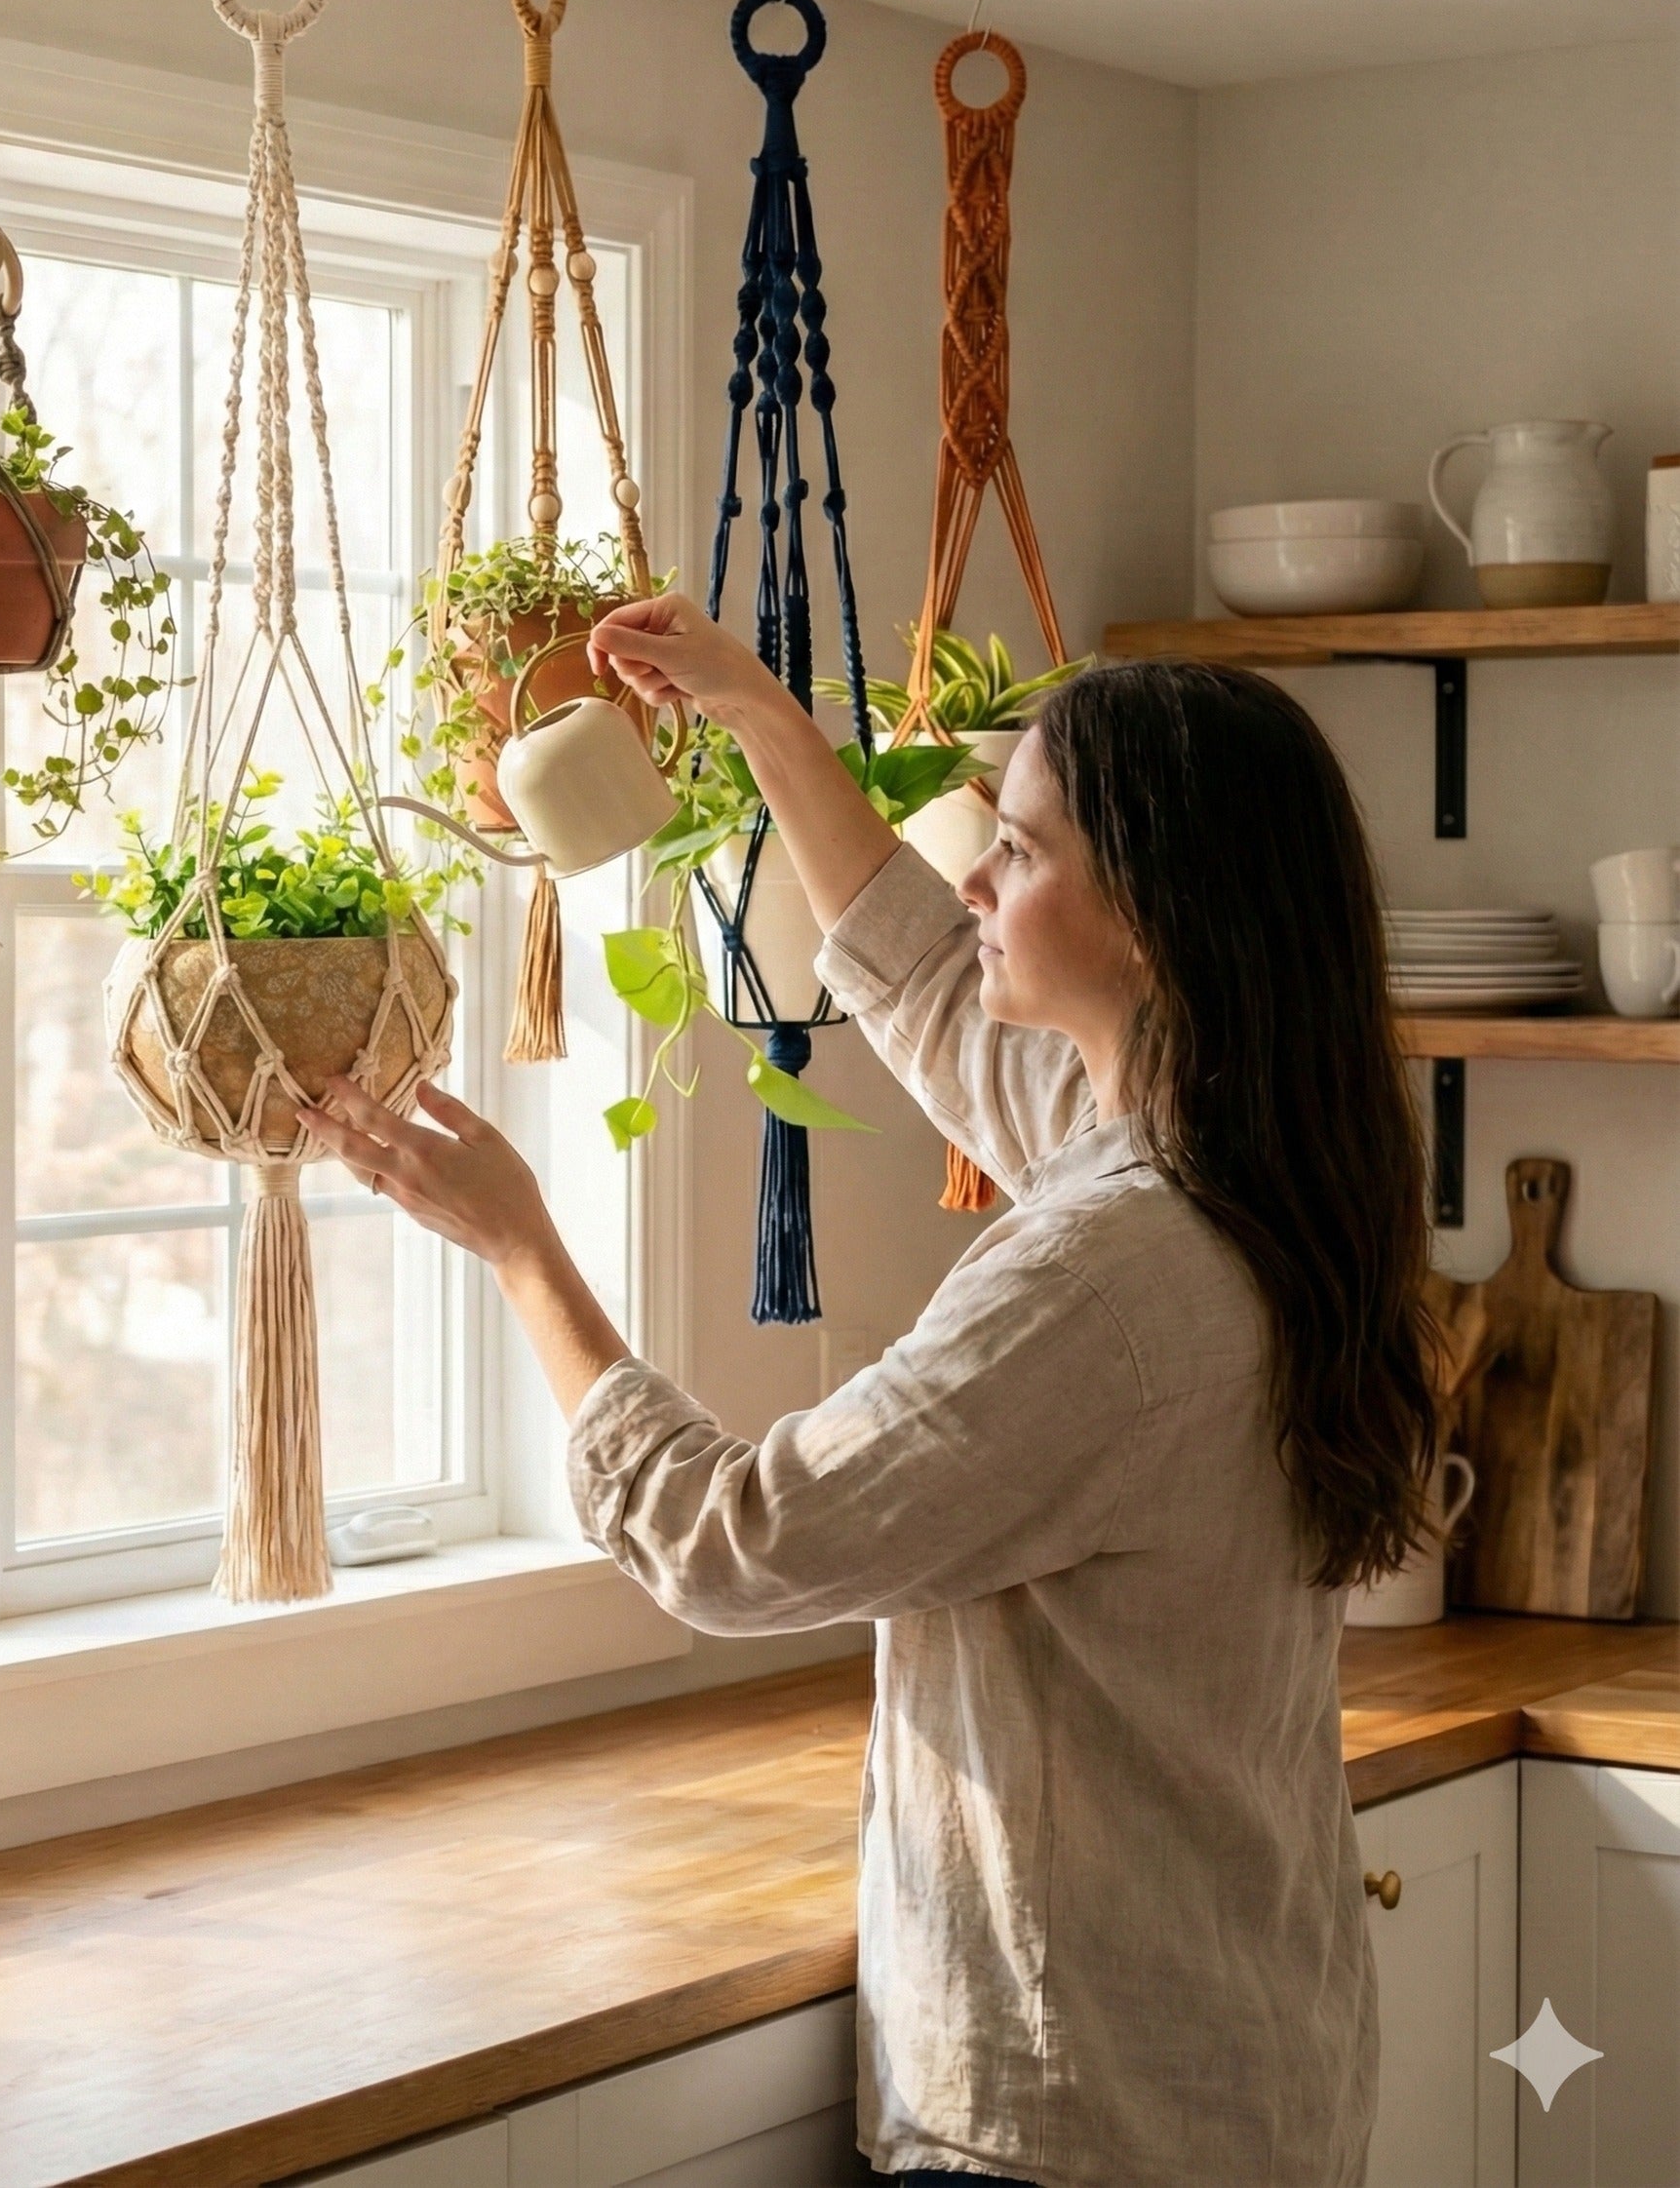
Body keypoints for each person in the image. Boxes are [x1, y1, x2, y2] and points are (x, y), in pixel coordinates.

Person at [298, 589, 1440, 2188]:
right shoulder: (1258, 1174)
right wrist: (763, 718)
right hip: (1249, 2069)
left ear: (1153, 921)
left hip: (1075, 2116)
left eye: (1025, 851)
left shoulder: (1106, 1281)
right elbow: (934, 992)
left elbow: (737, 1541)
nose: (978, 873)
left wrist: (521, 1253)